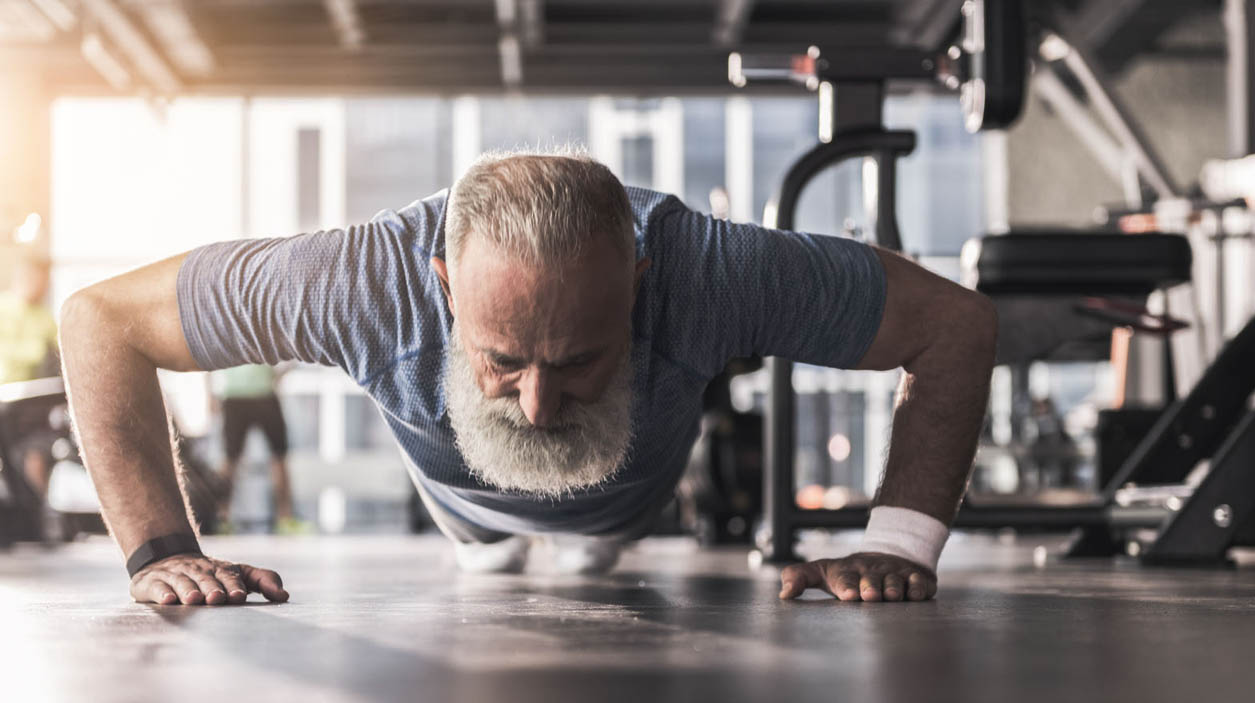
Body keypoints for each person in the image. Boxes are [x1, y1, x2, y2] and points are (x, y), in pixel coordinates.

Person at [59, 151, 997, 607]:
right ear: (441, 290)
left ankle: (578, 532)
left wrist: (901, 542)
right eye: (503, 361)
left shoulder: (712, 271)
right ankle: (490, 537)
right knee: (492, 553)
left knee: (593, 555)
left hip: (629, 505)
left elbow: (952, 325)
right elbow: (100, 322)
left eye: (579, 358)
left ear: (638, 282)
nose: (541, 404)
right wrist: (158, 551)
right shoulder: (355, 284)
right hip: (462, 508)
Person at [209, 363, 301, 533]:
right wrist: (209, 395)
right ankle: (222, 519)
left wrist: (275, 376)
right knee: (230, 461)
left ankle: (286, 520)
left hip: (263, 394)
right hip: (236, 395)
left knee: (278, 458)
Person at [0, 255, 60, 497]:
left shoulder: (44, 315)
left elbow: (60, 349)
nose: (42, 285)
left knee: (37, 453)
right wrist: (35, 352)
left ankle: (39, 514)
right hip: (7, 400)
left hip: (34, 406)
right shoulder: (4, 310)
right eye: (39, 279)